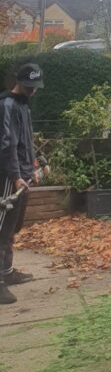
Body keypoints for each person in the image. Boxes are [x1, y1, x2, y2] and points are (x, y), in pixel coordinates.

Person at [0, 62, 43, 305]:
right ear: (19, 82)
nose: (33, 91)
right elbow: (7, 144)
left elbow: (26, 140)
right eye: (29, 87)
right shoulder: (7, 105)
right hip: (7, 178)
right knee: (1, 230)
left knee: (13, 228)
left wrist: (34, 166)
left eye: (35, 87)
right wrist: (16, 176)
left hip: (23, 176)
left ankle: (7, 273)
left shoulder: (24, 106)